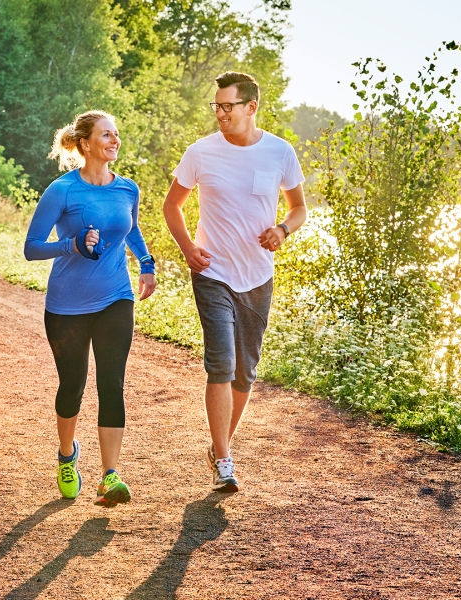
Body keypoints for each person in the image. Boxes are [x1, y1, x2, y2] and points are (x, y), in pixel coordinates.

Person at [163, 71, 308, 493]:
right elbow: (172, 205)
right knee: (221, 364)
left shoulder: (280, 152)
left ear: (251, 107)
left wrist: (283, 229)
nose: (220, 113)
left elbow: (299, 208)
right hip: (213, 272)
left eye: (227, 106)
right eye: (217, 106)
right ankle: (224, 459)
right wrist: (188, 248)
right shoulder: (200, 152)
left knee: (245, 372)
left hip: (258, 276)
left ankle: (218, 444)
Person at [25, 110, 157, 506]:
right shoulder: (62, 190)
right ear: (85, 143)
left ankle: (109, 475)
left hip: (116, 296)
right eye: (106, 135)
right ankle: (67, 455)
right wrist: (73, 245)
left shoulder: (127, 189)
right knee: (73, 386)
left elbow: (130, 228)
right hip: (67, 304)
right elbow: (32, 247)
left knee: (112, 383)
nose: (114, 140)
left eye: (117, 134)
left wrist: (147, 265)